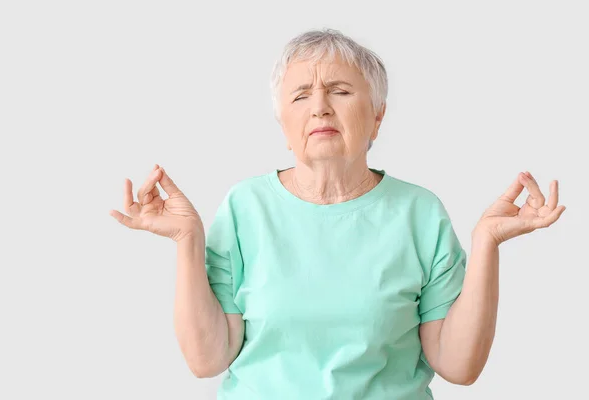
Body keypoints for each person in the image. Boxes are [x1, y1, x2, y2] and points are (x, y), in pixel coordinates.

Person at [109, 28, 566, 399]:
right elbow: (208, 359)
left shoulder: (420, 212)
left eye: (340, 90)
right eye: (300, 95)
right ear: (282, 125)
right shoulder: (244, 207)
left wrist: (487, 242)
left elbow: (459, 366)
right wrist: (187, 241)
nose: (320, 107)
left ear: (378, 116)